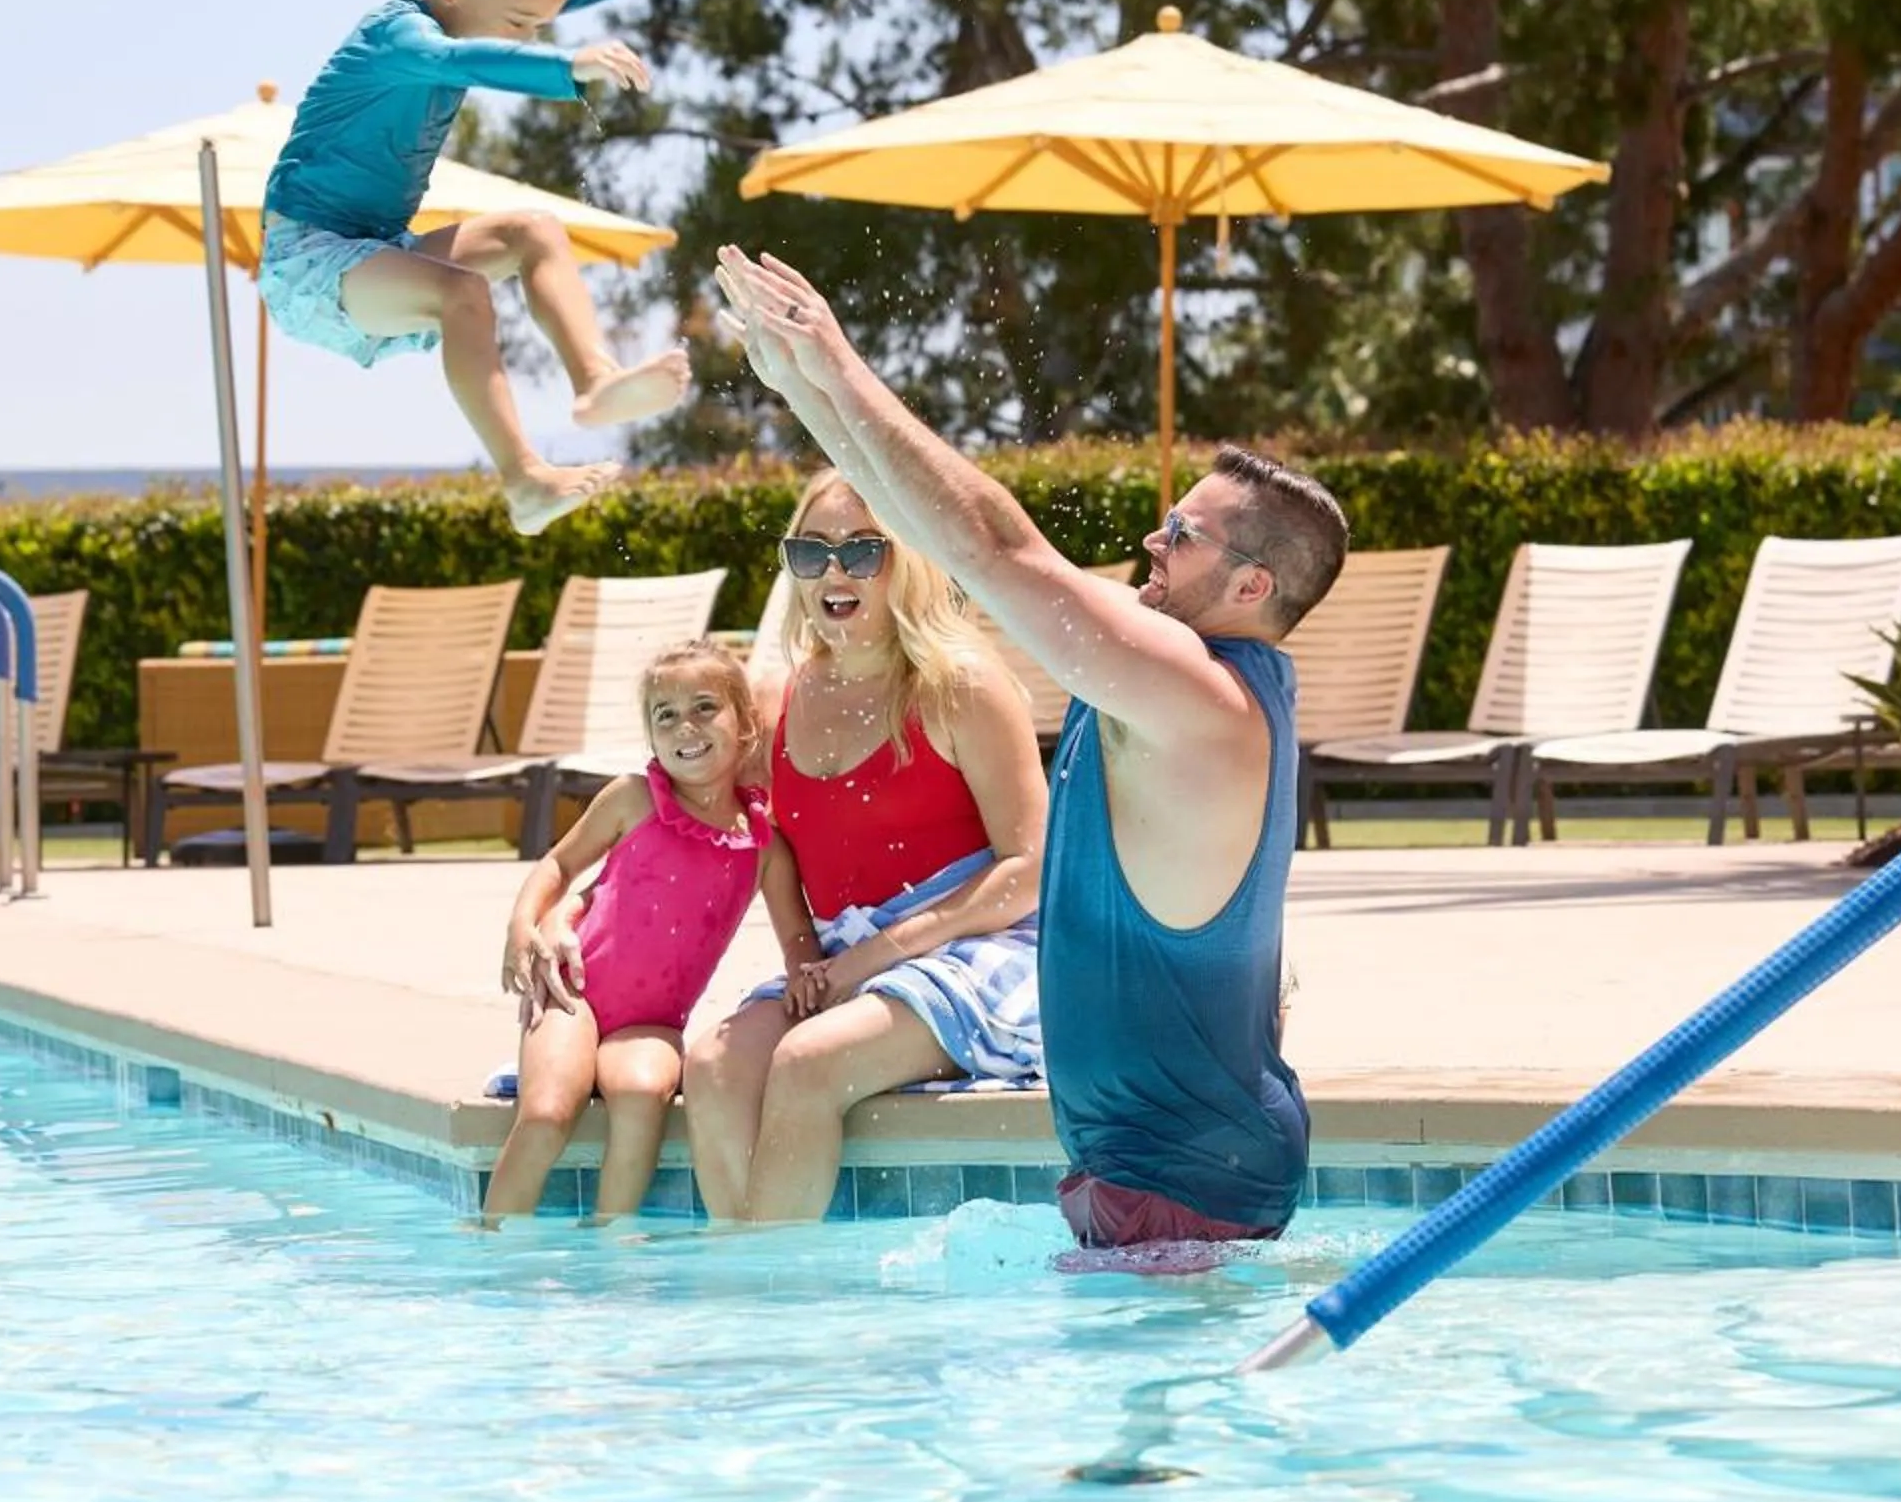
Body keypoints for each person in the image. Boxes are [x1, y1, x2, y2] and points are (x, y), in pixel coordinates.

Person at [713, 247, 1350, 1258]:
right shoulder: (1180, 683)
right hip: (1155, 1172)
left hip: (1185, 1183)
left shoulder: (1201, 695)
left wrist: (837, 364)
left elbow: (992, 549)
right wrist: (803, 390)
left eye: (1182, 532)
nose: (1152, 538)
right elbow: (939, 531)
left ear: (1251, 589)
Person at [670, 470, 1051, 1224]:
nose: (833, 573)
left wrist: (873, 960)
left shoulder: (960, 686)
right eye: (810, 555)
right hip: (846, 952)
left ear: (907, 559)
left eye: (861, 552)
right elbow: (738, 834)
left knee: (808, 1064)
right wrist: (560, 908)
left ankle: (787, 1302)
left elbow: (1032, 867)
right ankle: (746, 1289)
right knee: (713, 1066)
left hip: (981, 944)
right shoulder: (778, 696)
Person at [260, 0, 700, 534]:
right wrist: (566, 65)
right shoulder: (399, 36)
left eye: (537, 30)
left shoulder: (469, 4)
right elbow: (463, 60)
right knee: (464, 293)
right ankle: (524, 479)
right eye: (519, 24)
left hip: (381, 250)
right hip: (309, 260)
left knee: (535, 231)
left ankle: (595, 381)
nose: (528, 37)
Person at [489, 641, 815, 1225]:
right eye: (665, 714)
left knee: (642, 1096)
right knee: (545, 1113)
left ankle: (613, 1243)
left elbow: (799, 942)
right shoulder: (634, 798)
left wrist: (810, 990)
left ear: (744, 723)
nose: (684, 726)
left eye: (704, 707)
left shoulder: (764, 844)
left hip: (652, 1022)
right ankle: (493, 1241)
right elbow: (558, 866)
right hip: (573, 996)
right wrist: (523, 925)